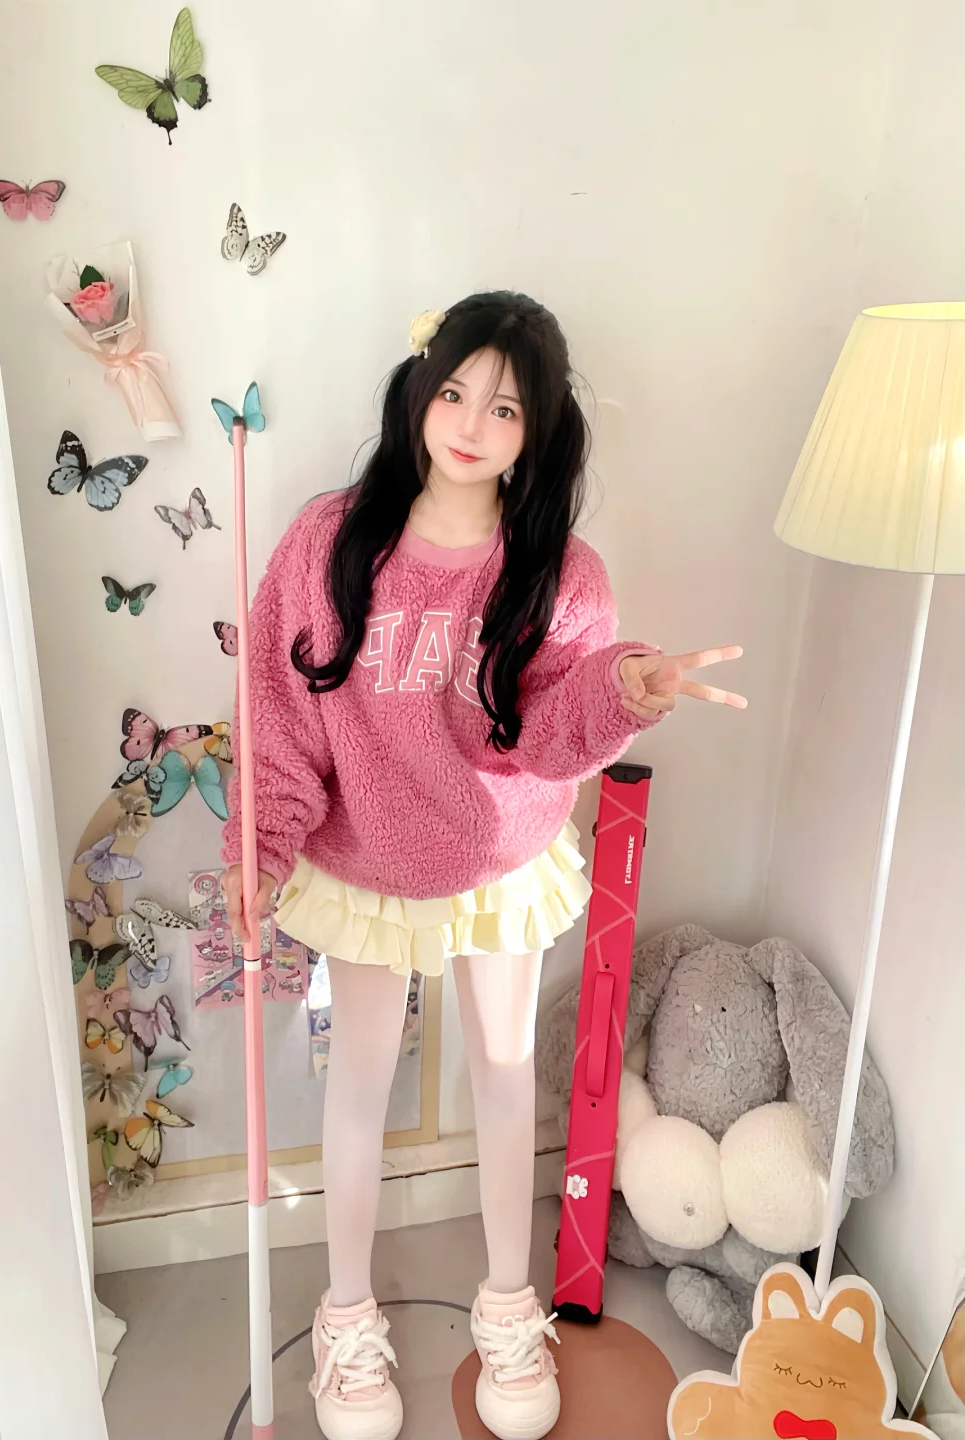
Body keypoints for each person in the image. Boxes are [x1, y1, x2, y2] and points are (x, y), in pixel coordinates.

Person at [222, 291, 746, 1440]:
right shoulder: (328, 542)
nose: (470, 424)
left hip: (497, 862)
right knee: (358, 1083)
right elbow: (279, 716)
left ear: (537, 429)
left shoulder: (562, 574)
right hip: (362, 863)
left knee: (504, 1078)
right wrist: (257, 847)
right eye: (454, 391)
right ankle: (347, 1317)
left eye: (503, 408)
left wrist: (628, 687)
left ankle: (510, 1308)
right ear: (419, 390)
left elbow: (551, 734)